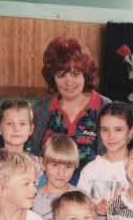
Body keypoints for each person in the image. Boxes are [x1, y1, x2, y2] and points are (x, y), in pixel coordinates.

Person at [32, 36, 111, 185]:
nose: (68, 82)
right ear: (52, 77)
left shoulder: (105, 108)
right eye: (61, 75)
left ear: (85, 74)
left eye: (75, 74)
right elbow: (33, 156)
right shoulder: (40, 110)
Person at [32, 133, 80, 220]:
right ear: (42, 163)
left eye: (67, 167)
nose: (61, 173)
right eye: (55, 165)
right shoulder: (31, 199)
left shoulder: (81, 197)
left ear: (75, 166)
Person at [0, 98, 43, 183]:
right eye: (9, 123)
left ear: (31, 129)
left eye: (22, 124)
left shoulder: (37, 165)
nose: (16, 129)